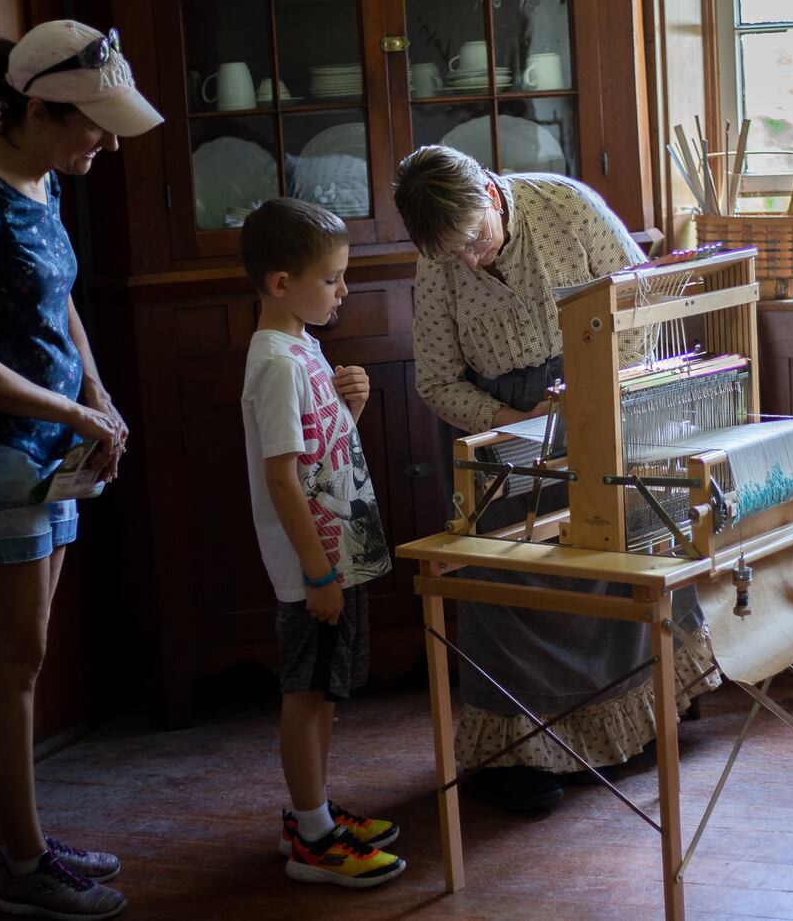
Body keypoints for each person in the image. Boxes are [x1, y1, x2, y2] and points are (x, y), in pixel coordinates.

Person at [0, 20, 162, 919]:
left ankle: (22, 840)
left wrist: (95, 388)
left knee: (29, 651)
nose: (111, 141)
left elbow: (58, 298)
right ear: (38, 108)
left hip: (44, 448)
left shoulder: (41, 174)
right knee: (13, 661)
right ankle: (17, 865)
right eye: (95, 121)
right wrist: (77, 413)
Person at [393, 145, 718, 811]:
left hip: (602, 392)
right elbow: (434, 379)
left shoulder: (565, 204)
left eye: (475, 244)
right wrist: (512, 418)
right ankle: (526, 752)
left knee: (621, 538)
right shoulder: (439, 258)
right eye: (453, 255)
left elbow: (639, 300)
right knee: (502, 567)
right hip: (502, 427)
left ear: (490, 192)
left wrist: (589, 401)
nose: (470, 262)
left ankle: (642, 716)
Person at [238, 198, 407, 889]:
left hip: (340, 554)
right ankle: (311, 838)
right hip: (316, 568)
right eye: (334, 278)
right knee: (306, 694)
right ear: (283, 284)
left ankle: (314, 814)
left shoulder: (304, 346)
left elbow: (319, 449)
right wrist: (316, 575)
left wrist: (354, 405)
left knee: (327, 691)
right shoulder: (276, 362)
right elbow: (281, 480)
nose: (344, 291)